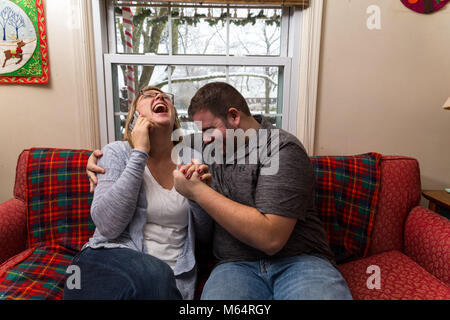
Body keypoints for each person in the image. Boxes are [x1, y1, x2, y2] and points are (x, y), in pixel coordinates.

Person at [87, 82, 352, 300]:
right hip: (234, 267)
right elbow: (154, 147)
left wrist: (198, 192)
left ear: (234, 117)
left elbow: (271, 239)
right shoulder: (204, 149)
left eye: (208, 130)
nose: (203, 139)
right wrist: (96, 161)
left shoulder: (281, 149)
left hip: (299, 261)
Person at [64, 86, 210, 300]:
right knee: (155, 273)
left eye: (164, 96)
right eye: (148, 95)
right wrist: (139, 152)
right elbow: (107, 225)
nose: (159, 96)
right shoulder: (116, 152)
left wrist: (199, 194)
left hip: (169, 279)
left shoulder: (192, 157)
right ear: (134, 117)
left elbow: (205, 236)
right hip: (107, 259)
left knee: (158, 276)